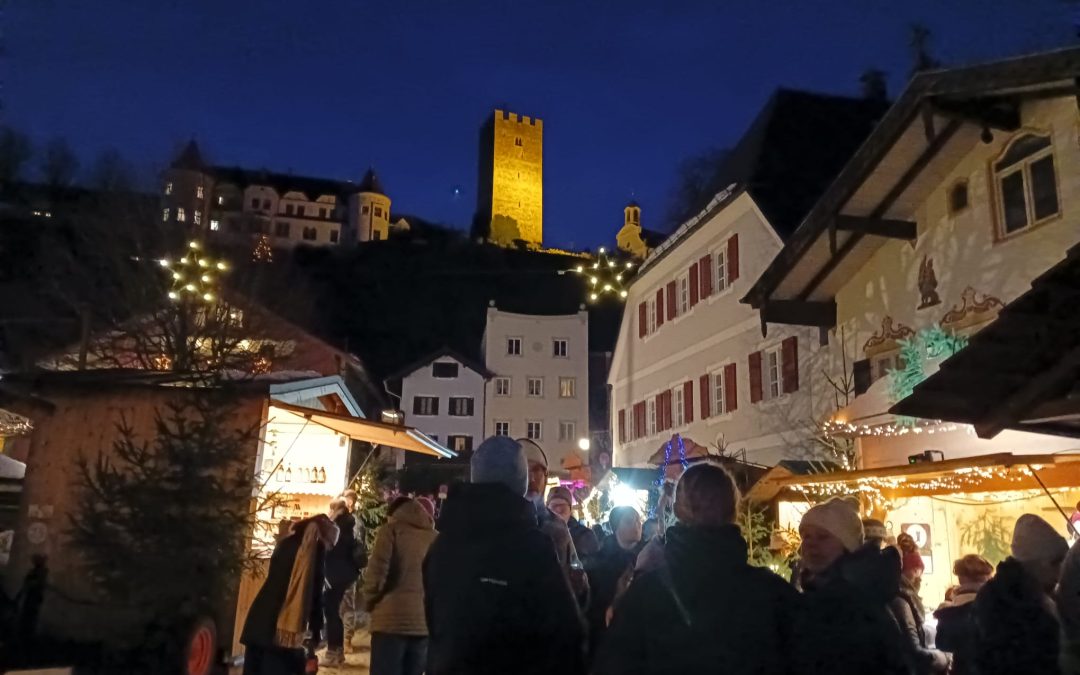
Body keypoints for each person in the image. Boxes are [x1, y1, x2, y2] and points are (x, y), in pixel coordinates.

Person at [594, 462, 799, 674]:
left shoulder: (645, 594)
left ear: (676, 510)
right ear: (734, 510)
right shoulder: (772, 593)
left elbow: (613, 663)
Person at [422, 436, 586, 675]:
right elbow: (566, 635)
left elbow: (435, 624)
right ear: (520, 480)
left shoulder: (442, 546)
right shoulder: (534, 548)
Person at [793, 498, 908, 675]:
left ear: (847, 546)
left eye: (823, 536)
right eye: (806, 536)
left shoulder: (856, 604)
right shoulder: (816, 594)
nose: (810, 543)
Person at [242, 515, 339, 675]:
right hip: (283, 631)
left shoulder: (287, 542)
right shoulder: (314, 551)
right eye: (330, 544)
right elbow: (315, 597)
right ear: (323, 538)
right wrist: (316, 632)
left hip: (259, 623)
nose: (329, 548)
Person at [973, 514, 1066, 675]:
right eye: (1055, 563)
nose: (1058, 573)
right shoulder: (1005, 601)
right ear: (1036, 562)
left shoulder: (1038, 595)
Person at [363, 496, 437, 675]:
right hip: (422, 623)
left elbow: (377, 573)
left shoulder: (390, 531)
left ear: (393, 514)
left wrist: (369, 601)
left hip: (390, 622)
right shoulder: (435, 538)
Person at [519, 438, 589, 598]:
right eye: (524, 470)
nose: (532, 479)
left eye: (536, 470)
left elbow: (580, 591)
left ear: (545, 475)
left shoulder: (556, 529)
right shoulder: (495, 523)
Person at [585, 505, 642, 658]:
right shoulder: (600, 562)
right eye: (629, 521)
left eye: (638, 520)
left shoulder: (645, 557)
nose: (637, 525)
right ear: (616, 526)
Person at [888, 546, 950, 674]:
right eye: (919, 571)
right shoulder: (902, 601)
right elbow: (914, 649)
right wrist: (945, 657)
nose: (920, 578)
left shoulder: (898, 596)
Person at [934, 554, 993, 675]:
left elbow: (942, 643)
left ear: (960, 579)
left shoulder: (948, 611)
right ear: (986, 577)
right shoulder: (993, 606)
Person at [321, 497, 361, 666]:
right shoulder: (350, 524)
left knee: (331, 612)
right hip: (347, 575)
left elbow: (330, 551)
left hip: (335, 576)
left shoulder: (336, 526)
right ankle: (338, 651)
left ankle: (333, 652)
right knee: (335, 611)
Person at [546, 485, 600, 561]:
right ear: (547, 510)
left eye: (563, 508)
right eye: (554, 507)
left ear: (570, 510)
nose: (558, 512)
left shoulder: (585, 535)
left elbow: (595, 567)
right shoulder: (539, 534)